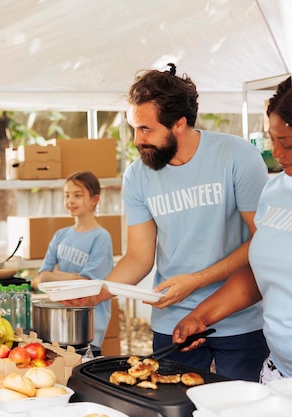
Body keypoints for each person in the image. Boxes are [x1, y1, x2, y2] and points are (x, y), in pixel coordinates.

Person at [63, 64, 269, 382]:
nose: (136, 140)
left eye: (145, 129)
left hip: (239, 320)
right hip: (172, 324)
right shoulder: (137, 175)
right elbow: (139, 257)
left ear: (179, 123)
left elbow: (263, 241)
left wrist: (197, 280)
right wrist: (98, 293)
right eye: (134, 127)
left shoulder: (237, 157)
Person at [173, 76, 292, 383]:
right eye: (272, 139)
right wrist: (201, 316)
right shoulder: (275, 191)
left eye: (288, 144)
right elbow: (262, 274)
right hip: (279, 373)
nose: (277, 154)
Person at [37, 171, 113, 347]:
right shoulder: (60, 235)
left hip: (90, 321)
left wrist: (56, 274)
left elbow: (85, 283)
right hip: (61, 317)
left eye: (77, 195)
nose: (70, 201)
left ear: (95, 200)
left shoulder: (101, 237)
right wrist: (72, 277)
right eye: (67, 195)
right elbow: (43, 276)